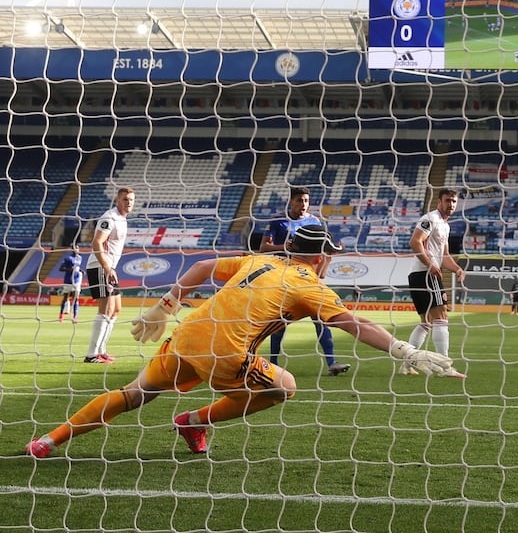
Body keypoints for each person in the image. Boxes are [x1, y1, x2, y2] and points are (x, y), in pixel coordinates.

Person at [24, 224, 464, 459]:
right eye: (329, 255)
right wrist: (403, 349)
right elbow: (353, 323)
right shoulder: (309, 283)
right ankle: (195, 420)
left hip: (186, 335)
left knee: (134, 393)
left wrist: (166, 305)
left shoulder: (258, 260)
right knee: (284, 387)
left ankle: (48, 440)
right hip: (227, 353)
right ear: (320, 256)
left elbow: (199, 269)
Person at [260, 187, 349, 376]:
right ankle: (273, 362)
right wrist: (284, 247)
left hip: (307, 277)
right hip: (284, 276)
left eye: (306, 201)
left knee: (320, 318)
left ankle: (332, 362)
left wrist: (334, 249)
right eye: (299, 200)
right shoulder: (277, 220)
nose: (303, 204)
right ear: (291, 201)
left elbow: (321, 248)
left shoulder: (314, 221)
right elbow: (263, 248)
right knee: (280, 321)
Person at [404, 189, 466, 376]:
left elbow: (445, 256)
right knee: (441, 318)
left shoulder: (445, 226)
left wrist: (457, 269)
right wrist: (430, 263)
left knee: (426, 322)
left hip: (420, 274)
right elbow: (415, 242)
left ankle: (406, 364)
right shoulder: (430, 219)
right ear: (439, 201)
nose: (451, 205)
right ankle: (445, 366)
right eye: (448, 200)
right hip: (425, 274)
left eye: (454, 201)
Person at [83, 187, 134, 364]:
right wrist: (106, 266)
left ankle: (102, 351)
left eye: (131, 200)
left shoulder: (122, 219)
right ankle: (91, 355)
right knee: (105, 310)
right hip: (99, 265)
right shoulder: (109, 217)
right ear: (117, 200)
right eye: (125, 199)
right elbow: (97, 241)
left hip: (110, 267)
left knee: (116, 309)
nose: (129, 203)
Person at [58, 245, 83, 323]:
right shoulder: (68, 258)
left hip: (76, 281)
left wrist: (81, 271)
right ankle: (61, 315)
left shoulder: (80, 258)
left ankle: (75, 317)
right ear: (72, 249)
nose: (76, 249)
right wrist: (69, 269)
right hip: (68, 281)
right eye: (75, 248)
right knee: (66, 298)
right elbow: (61, 268)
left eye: (77, 248)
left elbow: (77, 268)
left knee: (76, 299)